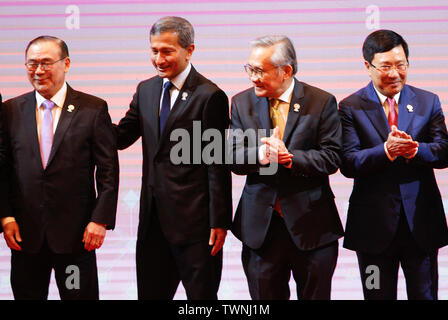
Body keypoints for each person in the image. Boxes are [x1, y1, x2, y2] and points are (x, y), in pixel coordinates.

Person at [116, 16, 232, 300]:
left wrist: (220, 220)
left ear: (189, 50)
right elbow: (120, 137)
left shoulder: (210, 96)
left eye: (167, 51)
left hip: (195, 225)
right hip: (152, 222)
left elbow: (216, 163)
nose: (159, 58)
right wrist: (87, 117)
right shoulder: (146, 89)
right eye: (154, 50)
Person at [0, 36, 119, 300]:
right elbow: (3, 171)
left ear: (66, 63)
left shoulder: (93, 109)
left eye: (45, 63)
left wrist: (99, 219)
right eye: (32, 64)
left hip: (76, 237)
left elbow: (108, 171)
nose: (38, 71)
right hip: (25, 237)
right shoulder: (10, 111)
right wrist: (6, 217)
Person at [228, 35, 344, 300]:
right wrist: (260, 153)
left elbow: (332, 157)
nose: (253, 77)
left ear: (286, 71)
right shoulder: (241, 102)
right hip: (261, 231)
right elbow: (232, 157)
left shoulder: (321, 101)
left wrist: (289, 158)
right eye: (250, 69)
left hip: (312, 226)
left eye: (259, 71)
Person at [339, 29, 448, 300]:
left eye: (401, 65)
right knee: (376, 295)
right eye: (386, 66)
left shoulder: (427, 101)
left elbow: (444, 151)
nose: (394, 73)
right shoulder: (350, 106)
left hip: (420, 224)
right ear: (368, 66)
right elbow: (348, 162)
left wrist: (415, 150)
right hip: (372, 228)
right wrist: (386, 151)